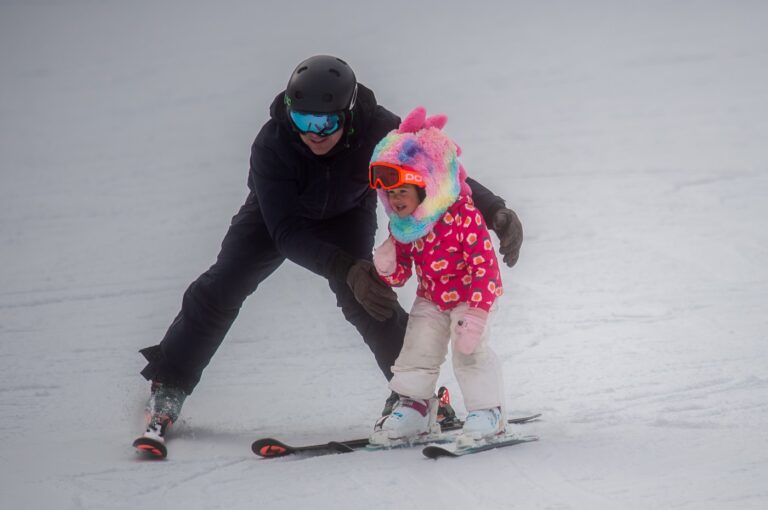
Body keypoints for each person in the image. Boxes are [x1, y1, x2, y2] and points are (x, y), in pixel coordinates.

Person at [136, 55, 523, 447]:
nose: (314, 134)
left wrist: (493, 209)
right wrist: (344, 266)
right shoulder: (271, 144)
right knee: (224, 284)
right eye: (303, 121)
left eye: (326, 122)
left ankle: (414, 397)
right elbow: (286, 233)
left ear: (349, 112)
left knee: (367, 296)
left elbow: (438, 171)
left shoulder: (379, 127)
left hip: (346, 215)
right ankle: (169, 382)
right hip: (276, 219)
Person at [368, 107, 507, 444]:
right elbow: (402, 274)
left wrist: (476, 312)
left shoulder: (463, 216)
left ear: (428, 185)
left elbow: (486, 270)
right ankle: (416, 407)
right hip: (430, 299)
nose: (395, 199)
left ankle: (488, 411)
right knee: (417, 350)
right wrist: (387, 267)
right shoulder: (404, 225)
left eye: (403, 190)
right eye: (390, 193)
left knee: (469, 350)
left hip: (470, 299)